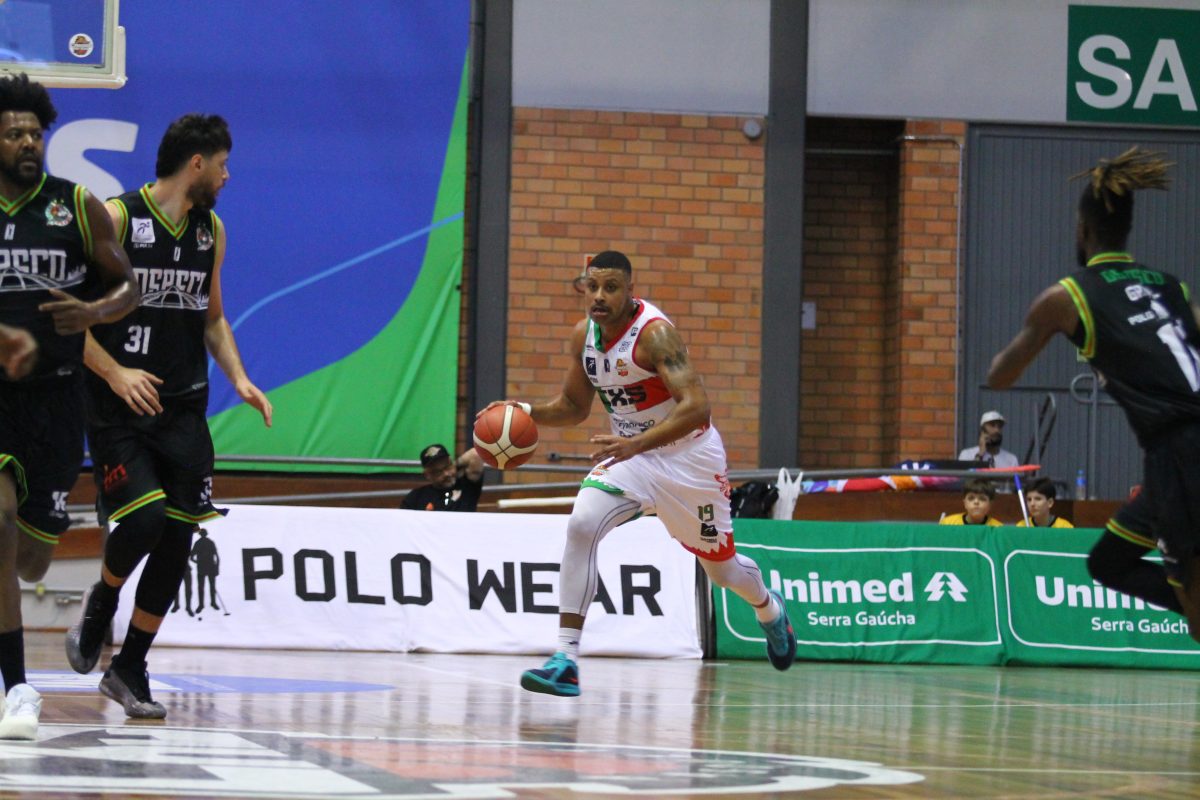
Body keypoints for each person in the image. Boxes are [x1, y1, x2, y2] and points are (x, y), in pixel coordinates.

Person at [481, 250, 795, 697]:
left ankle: (769, 610)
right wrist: (524, 410)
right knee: (582, 524)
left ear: (631, 290)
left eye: (611, 287)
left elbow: (697, 407)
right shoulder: (584, 337)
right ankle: (565, 660)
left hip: (690, 461)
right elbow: (572, 407)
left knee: (723, 572)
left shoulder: (656, 335)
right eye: (592, 286)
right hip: (632, 459)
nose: (599, 296)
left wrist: (637, 443)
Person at [64, 114, 272, 719]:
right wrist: (115, 373)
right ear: (196, 163)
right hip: (119, 405)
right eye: (223, 165)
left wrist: (239, 377)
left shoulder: (211, 231)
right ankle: (103, 601)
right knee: (146, 517)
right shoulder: (117, 217)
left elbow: (212, 317)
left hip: (183, 406)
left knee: (179, 535)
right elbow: (70, 318)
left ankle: (129, 667)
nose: (228, 176)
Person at [988, 147, 1200, 639]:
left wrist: (1045, 333)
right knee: (1107, 562)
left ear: (1081, 230)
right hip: (1169, 459)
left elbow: (1000, 376)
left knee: (1196, 612)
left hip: (1180, 453)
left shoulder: (1068, 295)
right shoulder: (1174, 288)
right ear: (1127, 229)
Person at [0, 73, 140, 740]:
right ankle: (16, 686)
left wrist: (93, 312)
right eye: (14, 134)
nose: (29, 142)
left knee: (29, 559)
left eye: (35, 132)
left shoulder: (76, 205)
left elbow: (127, 287)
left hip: (57, 402)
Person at [400, 443, 484, 512]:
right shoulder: (416, 497)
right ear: (427, 475)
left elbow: (476, 454)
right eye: (438, 472)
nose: (446, 474)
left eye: (447, 466)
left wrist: (455, 465)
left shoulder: (466, 486)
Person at [938, 479, 1003, 526]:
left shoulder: (998, 528)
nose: (976, 502)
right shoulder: (948, 523)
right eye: (971, 498)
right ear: (965, 503)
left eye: (982, 499)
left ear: (990, 504)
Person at [191, 527, 219, 613]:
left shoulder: (201, 543)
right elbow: (192, 556)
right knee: (205, 586)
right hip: (206, 567)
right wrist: (216, 567)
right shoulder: (207, 542)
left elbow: (192, 557)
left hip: (206, 567)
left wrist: (197, 562)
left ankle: (208, 603)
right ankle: (206, 604)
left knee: (206, 586)